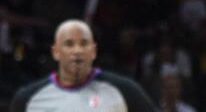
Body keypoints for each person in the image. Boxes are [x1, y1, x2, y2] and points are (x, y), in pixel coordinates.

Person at [9, 19, 156, 111]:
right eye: (69, 44)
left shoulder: (125, 90)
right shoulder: (27, 98)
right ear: (56, 52)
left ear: (93, 51)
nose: (77, 51)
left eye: (84, 44)